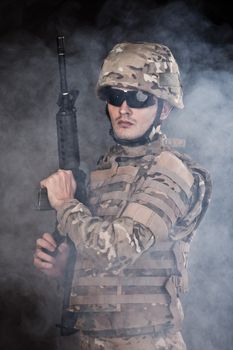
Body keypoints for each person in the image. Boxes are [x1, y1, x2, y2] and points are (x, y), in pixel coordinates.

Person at [33, 42, 212, 350]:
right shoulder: (106, 170)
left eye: (140, 98)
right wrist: (67, 263)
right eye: (116, 97)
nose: (125, 109)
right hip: (93, 341)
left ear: (164, 108)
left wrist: (65, 204)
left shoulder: (172, 171)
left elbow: (115, 249)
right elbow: (97, 261)